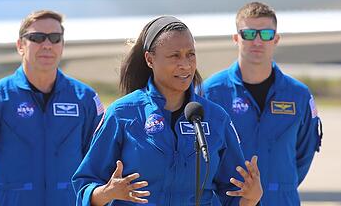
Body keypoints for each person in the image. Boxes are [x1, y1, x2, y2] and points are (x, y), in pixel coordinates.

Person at [72, 15, 262, 206]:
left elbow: (233, 196)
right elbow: (85, 186)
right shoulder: (122, 114)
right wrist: (107, 192)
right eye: (174, 56)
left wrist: (251, 198)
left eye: (191, 54)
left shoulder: (216, 118)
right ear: (149, 59)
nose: (185, 64)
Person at [0, 9, 104, 206]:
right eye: (37, 37)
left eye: (55, 38)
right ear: (20, 45)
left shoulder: (84, 98)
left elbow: (99, 159)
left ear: (62, 46)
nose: (47, 45)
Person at [202, 2, 322, 206]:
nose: (257, 41)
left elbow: (304, 152)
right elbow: (202, 154)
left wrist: (278, 185)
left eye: (265, 34)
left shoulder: (298, 95)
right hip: (230, 201)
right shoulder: (211, 92)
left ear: (276, 39)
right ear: (236, 38)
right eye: (249, 34)